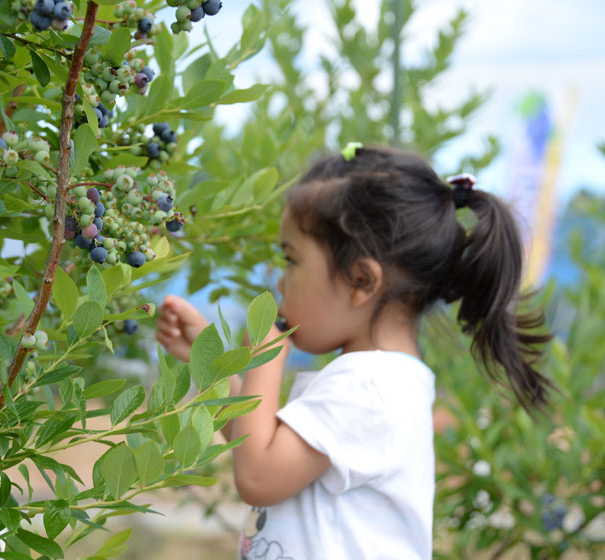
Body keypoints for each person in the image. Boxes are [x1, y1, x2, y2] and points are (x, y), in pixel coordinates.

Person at [155, 145, 554, 559]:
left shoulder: (369, 388)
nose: (279, 280)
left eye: (291, 260)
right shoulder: (377, 381)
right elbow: (259, 447)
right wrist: (211, 369)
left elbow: (257, 477)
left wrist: (261, 362)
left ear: (362, 279)